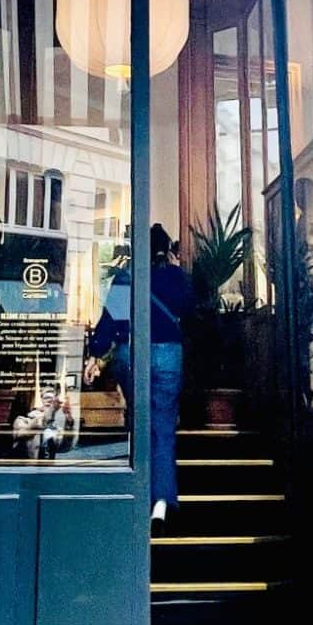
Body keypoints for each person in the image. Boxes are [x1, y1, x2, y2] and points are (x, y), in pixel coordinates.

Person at [83, 224, 194, 532]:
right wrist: (175, 271)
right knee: (163, 427)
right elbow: (194, 311)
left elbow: (110, 320)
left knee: (140, 421)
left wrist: (96, 353)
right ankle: (161, 501)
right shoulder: (178, 278)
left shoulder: (127, 276)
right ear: (167, 250)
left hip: (133, 354)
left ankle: (137, 493)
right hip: (169, 354)